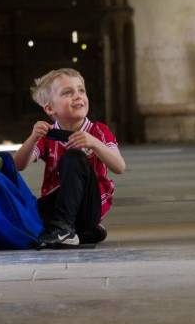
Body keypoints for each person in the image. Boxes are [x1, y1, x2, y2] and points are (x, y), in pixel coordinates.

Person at [14, 68, 125, 248]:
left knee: (74, 157)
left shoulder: (98, 131)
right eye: (68, 92)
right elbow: (18, 165)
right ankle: (84, 232)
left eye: (81, 90)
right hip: (57, 206)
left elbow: (119, 167)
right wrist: (33, 137)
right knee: (24, 215)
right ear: (50, 108)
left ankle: (64, 229)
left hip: (89, 206)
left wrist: (95, 144)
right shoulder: (48, 135)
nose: (78, 96)